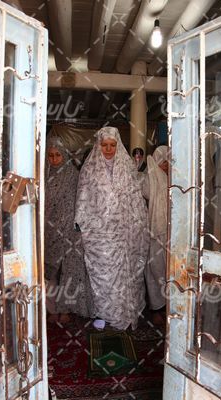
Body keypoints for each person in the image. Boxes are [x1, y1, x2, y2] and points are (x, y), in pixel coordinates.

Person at [75, 127, 149, 330]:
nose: (108, 149)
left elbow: (136, 200)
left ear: (118, 146)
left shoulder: (127, 168)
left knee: (125, 274)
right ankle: (105, 313)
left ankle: (126, 312)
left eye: (112, 145)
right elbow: (83, 199)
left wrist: (137, 224)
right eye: (104, 145)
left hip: (124, 233)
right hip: (99, 235)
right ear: (98, 146)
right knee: (103, 275)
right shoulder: (89, 170)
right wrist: (83, 223)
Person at [45, 137, 94, 323]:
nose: (54, 159)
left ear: (64, 155)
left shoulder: (73, 175)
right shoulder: (44, 176)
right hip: (49, 230)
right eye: (51, 155)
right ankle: (52, 309)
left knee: (69, 271)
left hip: (70, 231)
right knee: (50, 271)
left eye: (58, 155)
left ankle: (66, 308)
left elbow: (81, 203)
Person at [141, 145, 169, 325]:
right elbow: (145, 194)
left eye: (169, 162)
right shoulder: (148, 177)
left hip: (171, 232)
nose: (166, 165)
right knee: (154, 269)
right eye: (163, 162)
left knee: (169, 270)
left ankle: (169, 307)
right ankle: (156, 308)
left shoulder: (175, 177)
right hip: (153, 231)